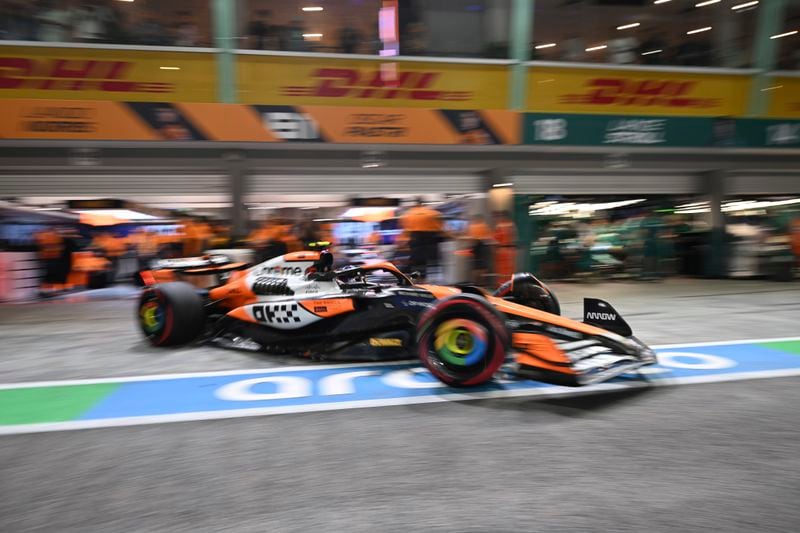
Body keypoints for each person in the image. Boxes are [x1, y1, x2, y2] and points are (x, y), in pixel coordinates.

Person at [400, 198, 443, 280]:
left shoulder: (408, 214)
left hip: (415, 240)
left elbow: (406, 232)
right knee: (429, 264)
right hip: (431, 241)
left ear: (415, 204)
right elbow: (441, 230)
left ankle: (415, 280)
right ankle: (425, 281)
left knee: (416, 264)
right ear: (423, 204)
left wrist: (403, 243)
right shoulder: (434, 213)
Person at [467, 214, 492, 286]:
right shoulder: (484, 226)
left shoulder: (472, 226)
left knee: (476, 267)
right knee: (483, 267)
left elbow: (470, 238)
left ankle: (476, 283)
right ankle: (481, 283)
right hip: (482, 246)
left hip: (476, 246)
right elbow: (488, 238)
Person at [493, 211, 516, 281]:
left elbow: (495, 239)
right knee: (510, 268)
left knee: (501, 269)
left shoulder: (498, 226)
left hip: (501, 250)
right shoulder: (512, 225)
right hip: (510, 250)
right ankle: (510, 284)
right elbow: (514, 237)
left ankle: (502, 285)